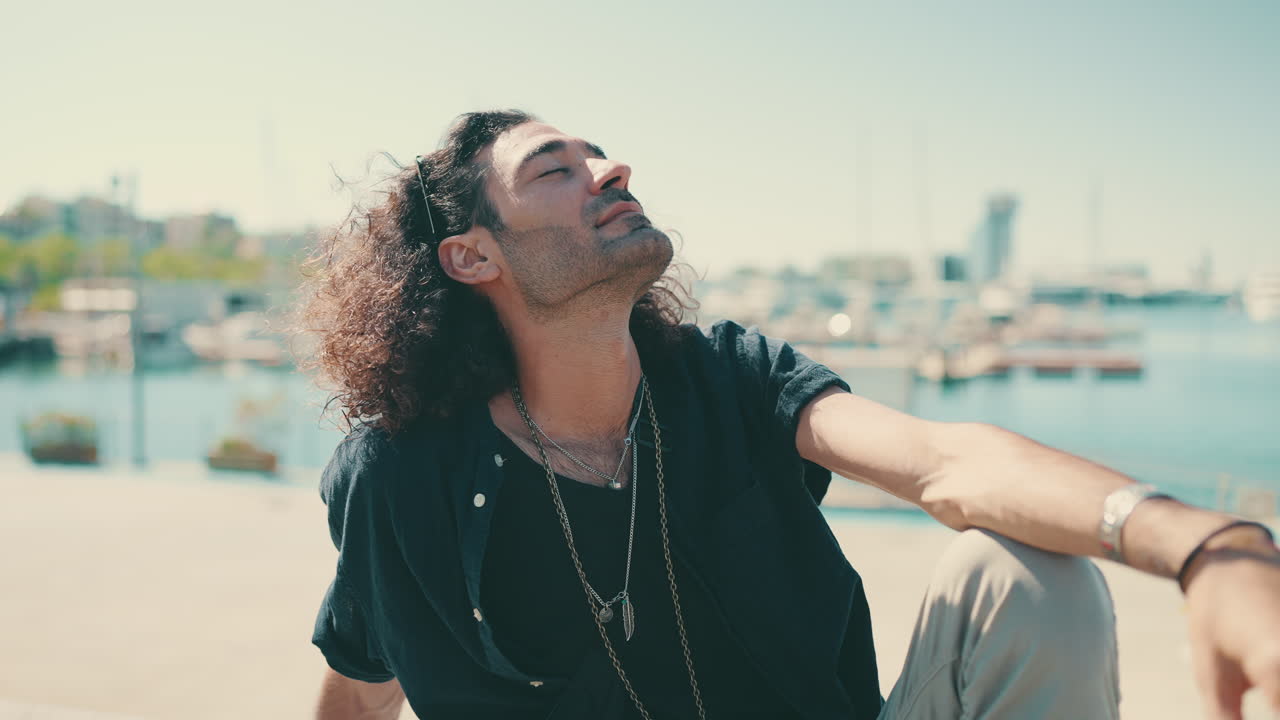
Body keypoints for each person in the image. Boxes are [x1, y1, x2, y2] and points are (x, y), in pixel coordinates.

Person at [295, 109, 1280, 720]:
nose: (610, 170)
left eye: (599, 155)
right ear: (474, 257)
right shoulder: (400, 475)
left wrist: (1210, 548)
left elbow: (944, 461)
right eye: (553, 169)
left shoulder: (731, 380)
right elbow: (363, 688)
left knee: (1021, 575)